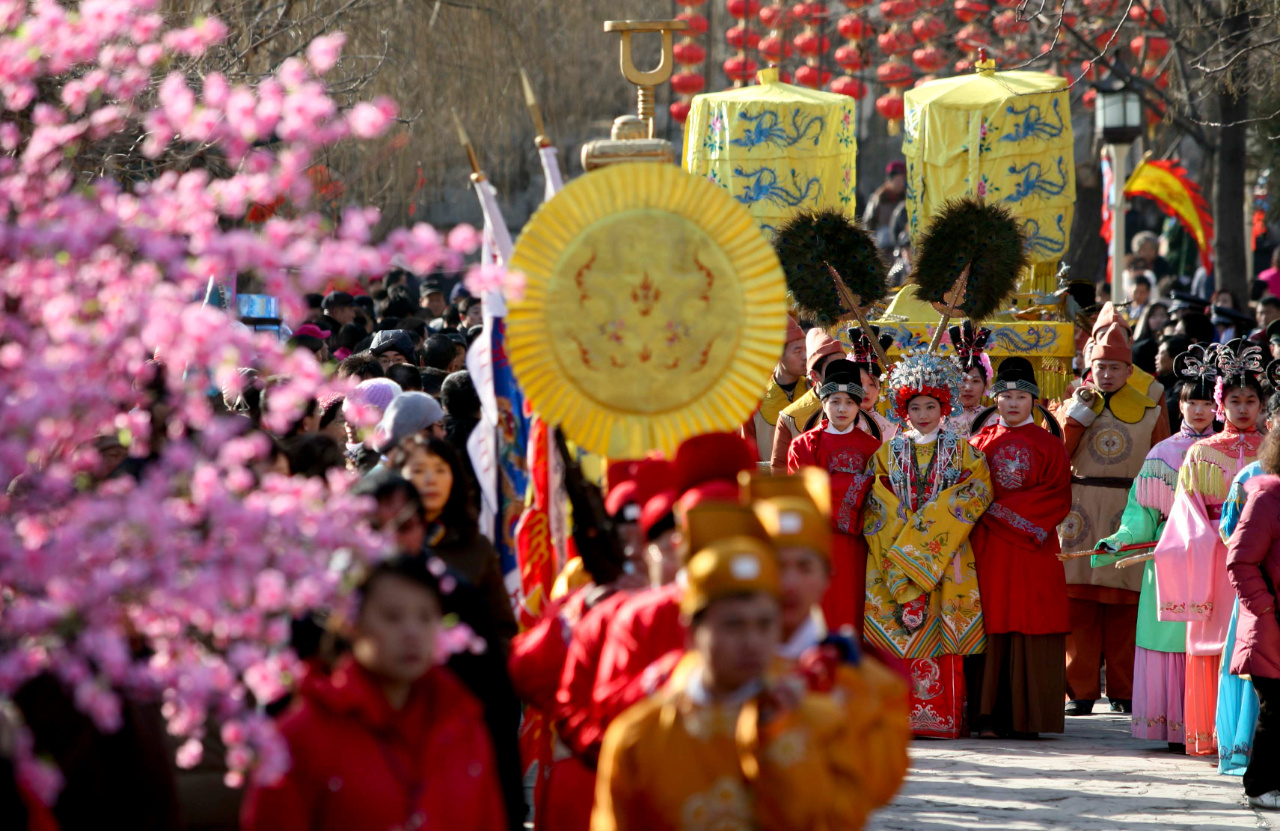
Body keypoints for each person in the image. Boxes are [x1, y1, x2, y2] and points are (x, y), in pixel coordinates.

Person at [591, 535, 865, 831]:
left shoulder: (821, 724)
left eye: (764, 625)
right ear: (693, 633)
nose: (752, 642)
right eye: (733, 625)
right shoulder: (640, 736)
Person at [241, 554, 507, 831]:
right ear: (351, 623)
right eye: (392, 617)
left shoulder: (464, 726)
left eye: (426, 617)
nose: (412, 632)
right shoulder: (303, 735)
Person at [1092, 350, 1220, 749]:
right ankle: (1172, 726)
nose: (1198, 411)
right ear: (1178, 405)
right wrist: (1121, 539)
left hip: (1215, 558)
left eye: (1205, 403)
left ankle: (1210, 725)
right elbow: (1140, 514)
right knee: (1167, 637)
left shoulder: (1229, 451)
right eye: (1190, 402)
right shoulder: (1161, 453)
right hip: (1167, 558)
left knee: (1207, 635)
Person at [862, 348, 993, 738]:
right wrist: (906, 531)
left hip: (946, 555)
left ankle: (944, 717)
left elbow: (976, 492)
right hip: (893, 552)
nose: (923, 415)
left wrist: (925, 531)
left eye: (930, 406)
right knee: (898, 630)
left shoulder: (964, 452)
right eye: (915, 407)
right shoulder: (887, 452)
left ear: (944, 407)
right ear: (904, 410)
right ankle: (893, 717)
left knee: (941, 632)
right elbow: (874, 498)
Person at [1154, 339, 1265, 756]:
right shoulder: (1201, 452)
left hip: (1263, 558)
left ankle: (1253, 738)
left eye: (1250, 400)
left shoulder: (1271, 451)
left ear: (1261, 405)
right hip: (1214, 558)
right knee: (1214, 642)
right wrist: (1222, 535)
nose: (1242, 409)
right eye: (1234, 400)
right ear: (1222, 403)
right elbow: (1186, 514)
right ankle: (1212, 733)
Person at [1058, 309, 1169, 717]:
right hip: (1080, 510)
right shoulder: (1072, 405)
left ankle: (1125, 689)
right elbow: (1058, 459)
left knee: (1126, 604)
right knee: (1080, 604)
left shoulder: (1152, 409)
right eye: (1101, 366)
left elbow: (1162, 464)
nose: (1107, 374)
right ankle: (1080, 691)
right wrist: (1073, 421)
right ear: (1091, 366)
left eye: (1116, 367)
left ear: (1129, 370)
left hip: (1131, 511)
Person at [969, 357, 1073, 739]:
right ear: (994, 399)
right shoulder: (977, 443)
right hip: (987, 549)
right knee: (988, 622)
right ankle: (985, 716)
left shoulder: (1051, 446)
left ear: (1035, 400)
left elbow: (1057, 496)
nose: (1012, 403)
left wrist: (994, 511)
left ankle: (1029, 718)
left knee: (1031, 619)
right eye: (1005, 396)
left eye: (1020, 396)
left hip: (1033, 547)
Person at [388, 436, 517, 644]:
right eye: (418, 470)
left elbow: (502, 629)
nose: (431, 479)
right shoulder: (383, 544)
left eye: (440, 470)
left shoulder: (475, 545)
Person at [786, 359, 880, 634]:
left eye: (849, 402)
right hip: (819, 545)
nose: (842, 409)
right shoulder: (803, 445)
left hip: (859, 548)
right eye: (835, 400)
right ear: (823, 402)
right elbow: (804, 494)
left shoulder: (873, 447)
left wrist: (834, 484)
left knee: (855, 612)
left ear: (859, 404)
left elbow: (880, 495)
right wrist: (856, 486)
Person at [1215, 391, 1280, 776]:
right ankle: (1257, 778)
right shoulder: (1262, 489)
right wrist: (1266, 606)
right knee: (1274, 706)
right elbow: (1239, 556)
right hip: (1265, 608)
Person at [768, 327, 846, 473]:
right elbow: (780, 469)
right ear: (815, 376)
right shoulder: (790, 417)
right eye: (833, 368)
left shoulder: (860, 408)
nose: (841, 373)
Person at [742, 317, 809, 471]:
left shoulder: (812, 389)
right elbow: (748, 448)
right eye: (798, 351)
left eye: (806, 350)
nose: (805, 356)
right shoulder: (754, 396)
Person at [948, 321, 992, 438]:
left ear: (985, 384)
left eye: (976, 381)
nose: (967, 387)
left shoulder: (994, 420)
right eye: (961, 380)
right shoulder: (939, 418)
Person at [863, 160, 907, 254]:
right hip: (883, 247)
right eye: (897, 180)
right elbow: (868, 222)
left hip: (902, 247)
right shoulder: (878, 199)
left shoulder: (906, 199)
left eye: (902, 180)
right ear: (889, 181)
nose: (901, 184)